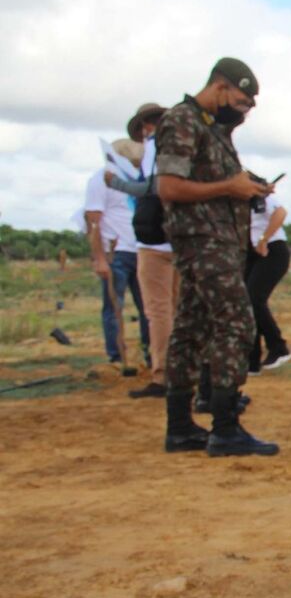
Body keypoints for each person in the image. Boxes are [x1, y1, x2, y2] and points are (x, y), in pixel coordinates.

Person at [156, 57, 278, 457]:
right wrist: (231, 187)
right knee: (237, 322)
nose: (242, 112)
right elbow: (170, 188)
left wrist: (247, 188)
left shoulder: (213, 130)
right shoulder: (182, 121)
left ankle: (179, 428)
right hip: (202, 242)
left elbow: (214, 181)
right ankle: (225, 428)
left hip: (217, 242)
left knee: (191, 328)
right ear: (221, 87)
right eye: (241, 102)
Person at [107, 102, 173, 398]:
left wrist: (118, 183)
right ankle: (190, 374)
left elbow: (151, 188)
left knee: (158, 312)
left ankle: (163, 376)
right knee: (179, 310)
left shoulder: (153, 148)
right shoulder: (183, 146)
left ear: (146, 127)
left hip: (154, 240)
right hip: (179, 237)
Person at [84, 140, 150, 366]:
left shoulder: (134, 181)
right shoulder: (100, 180)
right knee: (114, 307)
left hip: (141, 250)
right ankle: (116, 356)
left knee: (148, 308)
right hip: (116, 252)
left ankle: (150, 354)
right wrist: (99, 258)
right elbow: (93, 222)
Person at [246, 193, 291, 372]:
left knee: (254, 298)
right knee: (246, 303)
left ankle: (278, 347)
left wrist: (264, 238)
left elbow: (281, 212)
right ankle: (251, 361)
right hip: (251, 252)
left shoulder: (258, 195)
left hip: (272, 249)